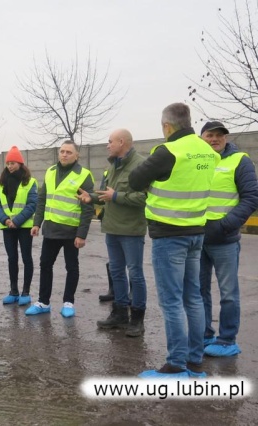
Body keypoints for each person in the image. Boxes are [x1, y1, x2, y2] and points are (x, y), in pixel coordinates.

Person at [129, 103, 219, 379]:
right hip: (196, 233)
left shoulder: (168, 151)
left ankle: (176, 364)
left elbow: (135, 180)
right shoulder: (207, 150)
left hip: (169, 236)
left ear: (167, 126)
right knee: (193, 298)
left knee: (172, 302)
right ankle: (194, 360)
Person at [78, 129, 148, 336]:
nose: (107, 145)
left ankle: (137, 319)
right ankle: (119, 314)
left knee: (135, 274)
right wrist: (91, 197)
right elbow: (106, 194)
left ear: (122, 142)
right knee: (116, 272)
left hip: (131, 229)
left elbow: (144, 198)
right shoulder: (113, 165)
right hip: (112, 227)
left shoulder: (141, 165)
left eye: (110, 142)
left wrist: (116, 196)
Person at [199, 122, 258, 357]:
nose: (215, 139)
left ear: (225, 138)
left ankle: (226, 339)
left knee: (229, 293)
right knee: (198, 290)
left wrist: (226, 224)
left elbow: (251, 197)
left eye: (219, 136)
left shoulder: (239, 160)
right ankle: (204, 335)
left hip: (224, 238)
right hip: (197, 238)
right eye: (209, 135)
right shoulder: (196, 162)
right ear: (201, 137)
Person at [25, 140, 94, 317]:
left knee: (72, 267)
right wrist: (36, 223)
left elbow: (87, 208)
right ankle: (43, 302)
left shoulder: (84, 175)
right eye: (62, 151)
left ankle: (68, 302)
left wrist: (82, 234)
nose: (64, 154)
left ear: (76, 155)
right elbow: (42, 199)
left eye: (68, 152)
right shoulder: (50, 172)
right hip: (51, 230)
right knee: (45, 265)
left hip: (71, 231)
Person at [0, 146, 38, 305]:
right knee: (12, 258)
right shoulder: (1, 183)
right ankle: (13, 291)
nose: (10, 166)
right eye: (8, 163)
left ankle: (26, 292)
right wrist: (5, 220)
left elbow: (32, 204)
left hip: (24, 227)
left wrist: (16, 221)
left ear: (20, 163)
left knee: (26, 258)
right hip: (7, 227)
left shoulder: (30, 182)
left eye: (13, 163)